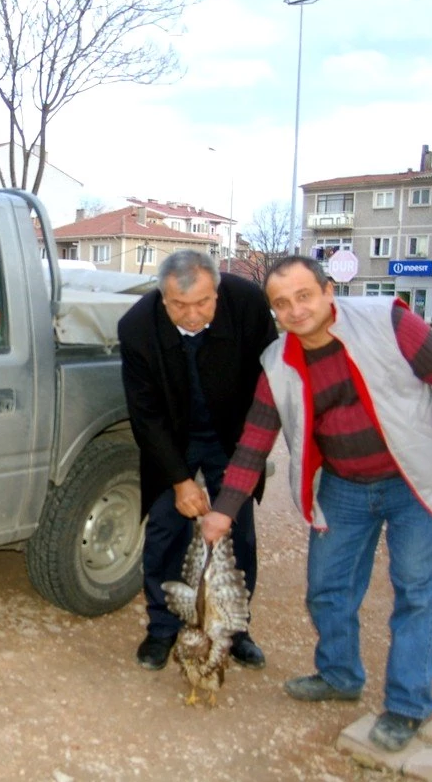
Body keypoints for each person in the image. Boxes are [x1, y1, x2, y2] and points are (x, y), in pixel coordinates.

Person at [198, 256, 432, 753]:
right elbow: (254, 442)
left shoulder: (388, 320)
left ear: (329, 292)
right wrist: (223, 510)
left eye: (304, 296)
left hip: (414, 478)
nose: (295, 310)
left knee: (417, 591)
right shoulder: (277, 362)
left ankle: (407, 705)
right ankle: (340, 675)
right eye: (281, 303)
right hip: (343, 487)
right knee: (328, 589)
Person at [117, 250, 278, 673]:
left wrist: (248, 459)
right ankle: (162, 629)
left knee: (237, 533)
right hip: (172, 438)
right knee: (165, 530)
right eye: (179, 306)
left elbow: (269, 383)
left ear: (217, 292)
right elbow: (146, 415)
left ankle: (235, 629)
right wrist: (179, 480)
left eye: (203, 303)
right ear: (162, 297)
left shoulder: (247, 304)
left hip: (235, 435)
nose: (192, 315)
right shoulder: (136, 328)